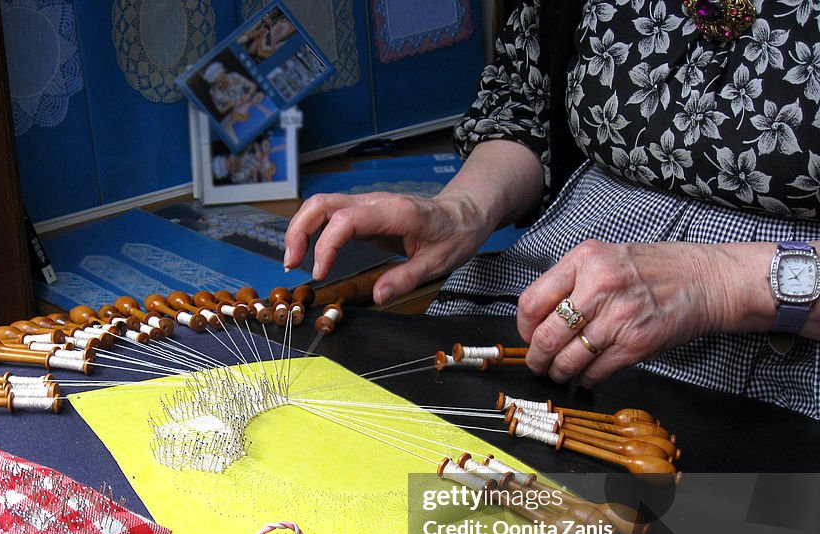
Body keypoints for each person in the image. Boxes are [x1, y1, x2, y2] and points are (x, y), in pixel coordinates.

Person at [282, 0, 820, 419]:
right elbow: (529, 106)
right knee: (402, 485)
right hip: (552, 288)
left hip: (786, 329)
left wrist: (720, 282)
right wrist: (462, 209)